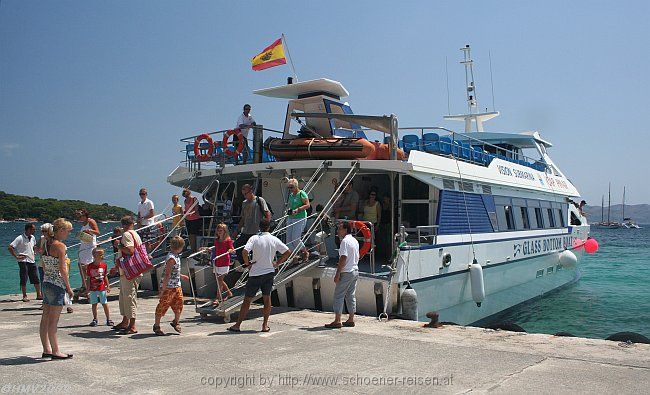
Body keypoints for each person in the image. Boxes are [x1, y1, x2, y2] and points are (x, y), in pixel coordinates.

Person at [228, 219, 291, 333]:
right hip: (269, 272)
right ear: (270, 228)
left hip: (256, 273)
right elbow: (287, 252)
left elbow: (244, 251)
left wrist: (247, 264)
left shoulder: (254, 238)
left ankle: (238, 325)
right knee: (267, 298)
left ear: (259, 227)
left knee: (247, 300)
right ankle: (264, 325)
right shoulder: (274, 239)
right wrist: (277, 263)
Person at [39, 218, 74, 359]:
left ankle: (46, 349)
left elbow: (44, 263)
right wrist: (69, 287)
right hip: (57, 284)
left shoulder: (46, 243)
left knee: (45, 317)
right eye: (68, 231)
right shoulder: (60, 246)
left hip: (46, 282)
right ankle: (55, 351)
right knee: (54, 321)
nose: (69, 234)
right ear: (61, 230)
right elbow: (62, 269)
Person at [325, 221, 359, 329]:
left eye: (339, 228)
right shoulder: (354, 240)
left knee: (338, 295)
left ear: (345, 230)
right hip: (355, 270)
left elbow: (343, 257)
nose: (338, 231)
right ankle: (351, 318)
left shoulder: (344, 241)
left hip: (346, 271)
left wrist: (337, 273)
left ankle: (337, 320)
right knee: (350, 295)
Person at [153, 236, 189, 336]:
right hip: (168, 286)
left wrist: (181, 276)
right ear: (180, 247)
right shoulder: (171, 258)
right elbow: (167, 274)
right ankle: (156, 325)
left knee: (179, 302)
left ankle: (176, 322)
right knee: (163, 305)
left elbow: (173, 272)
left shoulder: (176, 256)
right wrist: (163, 289)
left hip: (176, 285)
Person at [113, 215, 143, 335]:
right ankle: (125, 321)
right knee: (124, 296)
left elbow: (130, 250)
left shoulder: (126, 235)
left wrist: (118, 245)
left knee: (129, 296)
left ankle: (132, 325)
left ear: (123, 225)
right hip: (133, 269)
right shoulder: (135, 234)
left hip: (129, 271)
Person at [233, 184, 271, 265]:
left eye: (245, 194)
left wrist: (265, 230)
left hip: (257, 232)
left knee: (256, 251)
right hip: (246, 231)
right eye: (243, 194)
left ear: (251, 191)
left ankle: (258, 266)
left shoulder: (259, 200)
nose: (244, 196)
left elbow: (267, 214)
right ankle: (246, 265)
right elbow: (243, 219)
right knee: (237, 245)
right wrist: (237, 231)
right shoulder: (244, 203)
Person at [8, 223, 41, 302]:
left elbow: (34, 246)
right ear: (28, 229)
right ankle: (24, 295)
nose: (34, 230)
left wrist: (35, 251)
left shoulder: (32, 237)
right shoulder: (20, 238)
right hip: (23, 261)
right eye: (33, 229)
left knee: (35, 278)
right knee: (24, 278)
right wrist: (16, 256)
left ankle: (39, 294)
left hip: (31, 260)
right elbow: (10, 247)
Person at [86, 247, 113, 327]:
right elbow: (88, 278)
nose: (102, 256)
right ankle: (95, 319)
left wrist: (108, 286)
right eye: (100, 254)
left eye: (102, 254)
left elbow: (105, 276)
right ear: (94, 256)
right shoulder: (90, 266)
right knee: (94, 303)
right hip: (93, 288)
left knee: (104, 303)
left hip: (102, 288)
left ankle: (108, 319)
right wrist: (87, 288)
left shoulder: (104, 265)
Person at [286, 178, 310, 262]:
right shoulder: (291, 195)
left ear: (296, 186)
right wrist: (289, 210)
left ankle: (305, 252)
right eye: (288, 187)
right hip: (291, 218)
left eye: (291, 187)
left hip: (300, 217)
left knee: (295, 239)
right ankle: (295, 256)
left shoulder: (301, 194)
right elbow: (290, 206)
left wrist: (298, 209)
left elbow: (307, 205)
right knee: (288, 240)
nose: (290, 189)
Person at [76, 209, 100, 296]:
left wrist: (89, 231)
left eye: (80, 216)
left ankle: (89, 285)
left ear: (85, 216)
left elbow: (98, 232)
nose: (79, 218)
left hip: (90, 246)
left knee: (87, 265)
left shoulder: (91, 221)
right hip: (84, 244)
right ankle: (85, 284)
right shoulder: (83, 224)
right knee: (81, 265)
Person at [211, 223, 235, 305]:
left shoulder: (228, 240)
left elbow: (232, 248)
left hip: (224, 262)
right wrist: (207, 249)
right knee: (219, 280)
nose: (219, 232)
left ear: (225, 231)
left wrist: (230, 251)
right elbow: (215, 250)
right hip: (217, 262)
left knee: (219, 281)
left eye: (221, 230)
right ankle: (229, 293)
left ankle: (217, 299)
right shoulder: (217, 240)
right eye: (218, 230)